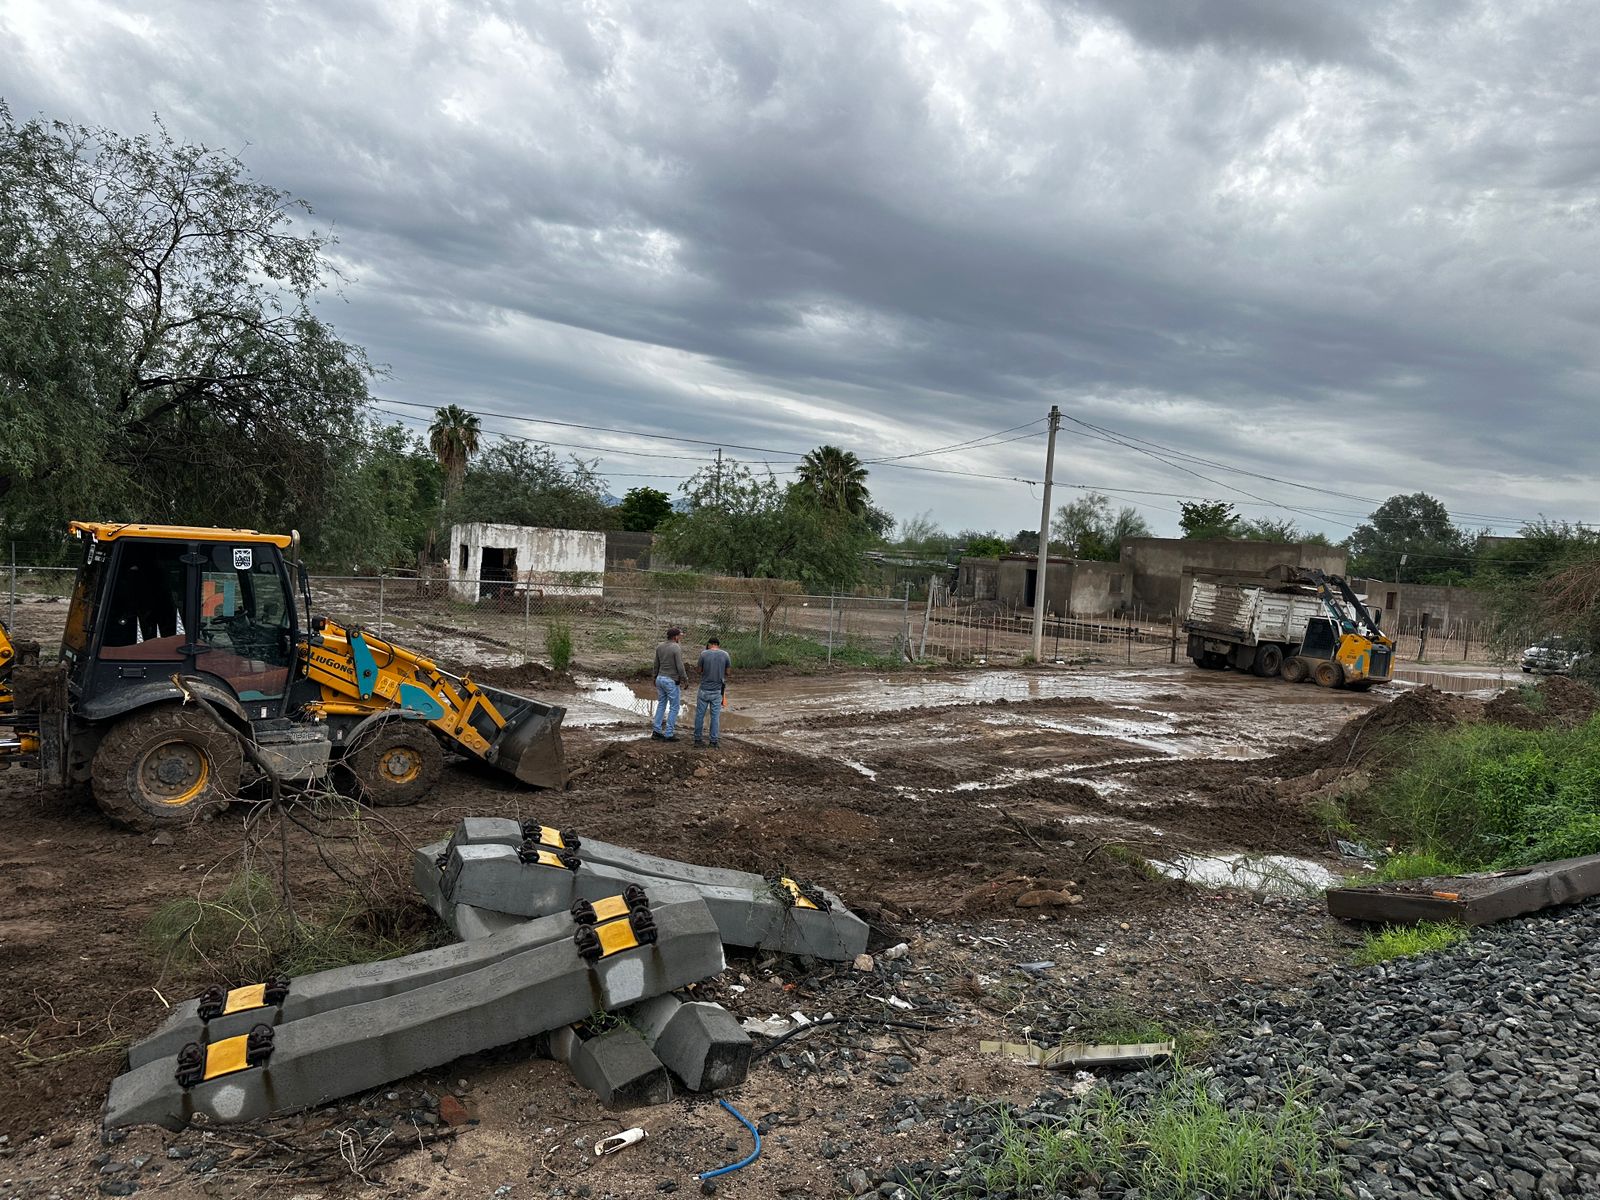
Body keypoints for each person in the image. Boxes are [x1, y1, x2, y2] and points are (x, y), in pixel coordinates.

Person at [693, 636, 731, 748]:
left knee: (700, 715)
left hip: (704, 690)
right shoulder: (725, 655)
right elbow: (728, 672)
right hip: (717, 691)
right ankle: (713, 741)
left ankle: (697, 739)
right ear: (718, 645)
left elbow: (699, 670)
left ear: (709, 644)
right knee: (715, 717)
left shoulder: (703, 654)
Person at [651, 627, 687, 741]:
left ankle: (656, 731)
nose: (680, 637)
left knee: (661, 704)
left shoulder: (660, 646)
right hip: (671, 680)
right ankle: (669, 733)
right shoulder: (676, 647)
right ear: (675, 637)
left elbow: (656, 664)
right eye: (680, 636)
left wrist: (654, 677)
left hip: (660, 679)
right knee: (674, 707)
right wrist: (685, 679)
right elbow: (680, 666)